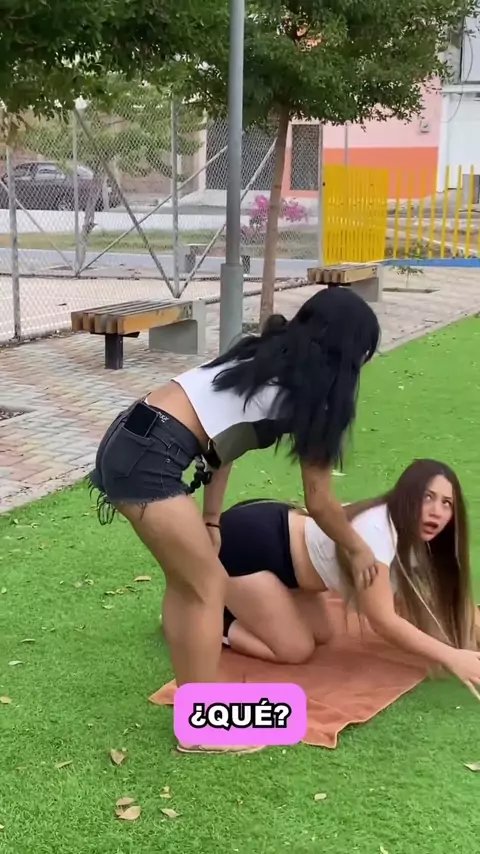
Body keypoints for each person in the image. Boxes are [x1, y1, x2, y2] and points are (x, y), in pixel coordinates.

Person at [87, 287, 382, 754]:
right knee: (207, 586)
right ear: (352, 355)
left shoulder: (261, 356)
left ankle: (198, 706)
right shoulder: (313, 396)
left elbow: (222, 445)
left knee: (190, 582)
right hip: (151, 456)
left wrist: (211, 519)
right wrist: (358, 547)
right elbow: (321, 501)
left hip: (129, 437)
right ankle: (202, 729)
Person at [218, 459, 480, 698]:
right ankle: (221, 624)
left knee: (322, 634)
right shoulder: (378, 531)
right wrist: (452, 657)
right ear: (407, 496)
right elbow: (383, 620)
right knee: (295, 649)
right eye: (428, 497)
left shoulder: (421, 540)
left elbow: (448, 602)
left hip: (287, 563)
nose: (436, 511)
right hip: (246, 546)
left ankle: (246, 604)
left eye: (447, 503)